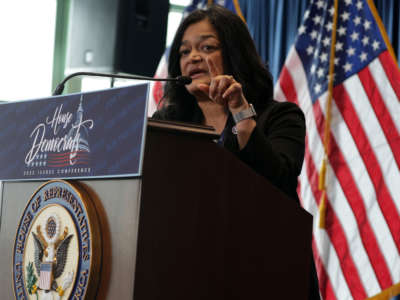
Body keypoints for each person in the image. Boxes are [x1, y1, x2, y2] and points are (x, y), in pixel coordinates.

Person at [152, 5, 320, 299]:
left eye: (207, 47)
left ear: (234, 53)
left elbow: (278, 178)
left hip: (265, 271)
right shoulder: (167, 124)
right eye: (184, 51)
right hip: (187, 272)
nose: (192, 57)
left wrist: (241, 114)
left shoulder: (280, 117)